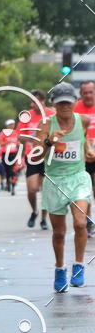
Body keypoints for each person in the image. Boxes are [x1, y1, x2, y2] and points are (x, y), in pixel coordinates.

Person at [33, 82, 95, 292]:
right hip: (54, 181)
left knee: (80, 223)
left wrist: (88, 150)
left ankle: (78, 266)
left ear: (74, 102)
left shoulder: (83, 121)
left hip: (77, 178)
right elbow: (36, 155)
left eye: (69, 102)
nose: (65, 107)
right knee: (59, 232)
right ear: (55, 105)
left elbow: (84, 141)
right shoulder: (46, 124)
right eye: (61, 103)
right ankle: (60, 269)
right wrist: (50, 141)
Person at [17, 90, 54, 229]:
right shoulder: (26, 115)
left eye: (37, 101)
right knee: (32, 189)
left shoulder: (51, 114)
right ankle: (34, 211)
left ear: (43, 101)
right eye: (32, 101)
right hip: (32, 156)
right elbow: (19, 135)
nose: (34, 104)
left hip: (49, 157)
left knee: (46, 190)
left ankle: (44, 219)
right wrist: (32, 138)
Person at [74, 80, 95, 238]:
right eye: (85, 92)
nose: (88, 95)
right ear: (81, 94)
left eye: (91, 92)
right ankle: (88, 221)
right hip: (80, 155)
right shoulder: (74, 108)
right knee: (85, 191)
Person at [0, 119, 20, 194]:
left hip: (14, 153)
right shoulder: (3, 133)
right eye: (10, 125)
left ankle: (13, 186)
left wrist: (18, 144)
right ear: (7, 126)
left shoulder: (16, 133)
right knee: (7, 170)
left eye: (13, 124)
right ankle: (8, 183)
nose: (12, 126)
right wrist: (6, 142)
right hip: (5, 153)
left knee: (13, 170)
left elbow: (18, 142)